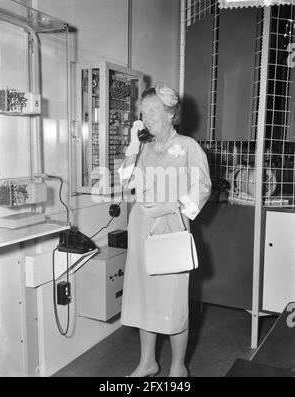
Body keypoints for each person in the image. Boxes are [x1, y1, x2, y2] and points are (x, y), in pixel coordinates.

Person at [118, 84, 211, 377]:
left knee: (172, 300)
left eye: (153, 111)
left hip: (171, 229)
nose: (146, 118)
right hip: (142, 229)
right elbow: (125, 183)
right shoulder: (143, 147)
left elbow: (203, 187)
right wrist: (132, 148)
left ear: (171, 113)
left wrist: (172, 206)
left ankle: (178, 366)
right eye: (143, 112)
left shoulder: (188, 147)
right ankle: (148, 361)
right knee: (146, 297)